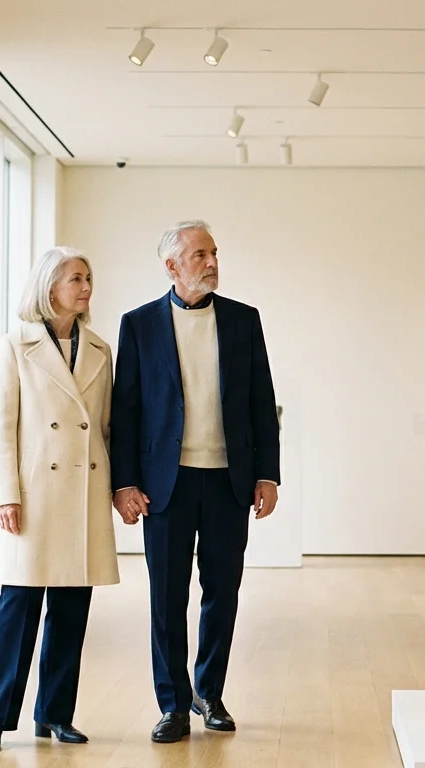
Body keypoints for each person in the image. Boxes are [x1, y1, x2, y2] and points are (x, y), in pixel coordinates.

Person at [110, 220, 281, 744]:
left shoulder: (243, 320)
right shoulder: (139, 324)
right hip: (166, 486)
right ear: (172, 266)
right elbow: (127, 410)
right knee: (166, 597)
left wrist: (268, 474)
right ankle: (173, 704)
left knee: (222, 592)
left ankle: (209, 693)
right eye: (199, 254)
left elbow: (260, 401)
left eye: (213, 252)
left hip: (229, 481)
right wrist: (124, 483)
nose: (211, 262)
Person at [0, 247, 126, 753]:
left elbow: (107, 428)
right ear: (49, 286)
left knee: (70, 611)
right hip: (35, 496)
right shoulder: (16, 346)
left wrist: (118, 486)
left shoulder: (101, 350)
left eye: (88, 277)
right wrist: (3, 496)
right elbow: (0, 428)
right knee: (17, 609)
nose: (86, 287)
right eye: (75, 278)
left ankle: (55, 715)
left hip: (83, 492)